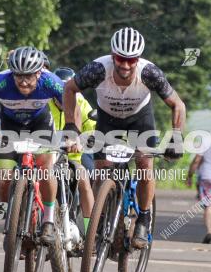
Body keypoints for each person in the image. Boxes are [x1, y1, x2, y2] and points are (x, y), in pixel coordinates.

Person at [63, 27, 186, 249]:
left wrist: (176, 137)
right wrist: (72, 126)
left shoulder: (149, 73)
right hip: (107, 120)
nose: (126, 65)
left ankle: (144, 218)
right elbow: (69, 89)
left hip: (140, 120)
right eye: (121, 59)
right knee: (102, 169)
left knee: (144, 163)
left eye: (132, 60)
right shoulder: (98, 69)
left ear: (138, 59)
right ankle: (105, 216)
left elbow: (178, 104)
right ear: (113, 55)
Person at [0, 46, 77, 246]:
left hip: (40, 124)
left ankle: (48, 221)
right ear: (12, 73)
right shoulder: (1, 81)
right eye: (19, 76)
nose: (24, 81)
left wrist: (72, 134)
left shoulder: (50, 81)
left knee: (45, 171)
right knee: (3, 180)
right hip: (10, 126)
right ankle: (13, 220)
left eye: (29, 76)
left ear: (39, 72)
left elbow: (72, 104)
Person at [48, 66, 96, 232]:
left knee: (86, 179)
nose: (64, 95)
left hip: (74, 155)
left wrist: (84, 142)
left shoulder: (81, 102)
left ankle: (91, 233)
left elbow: (92, 129)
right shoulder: (45, 102)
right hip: (49, 155)